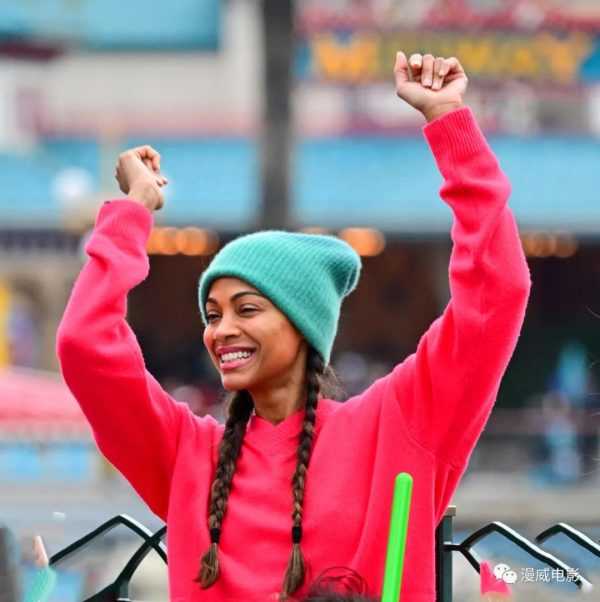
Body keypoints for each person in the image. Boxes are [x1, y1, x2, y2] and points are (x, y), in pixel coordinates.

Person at [55, 51, 531, 601]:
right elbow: (85, 344)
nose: (221, 330)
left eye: (247, 309)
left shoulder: (399, 426)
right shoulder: (186, 453)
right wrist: (133, 211)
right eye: (213, 315)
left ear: (303, 324)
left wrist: (449, 124)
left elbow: (496, 293)